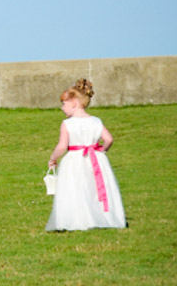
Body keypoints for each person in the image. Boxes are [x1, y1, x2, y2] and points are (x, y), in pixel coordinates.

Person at [45, 78, 127, 231]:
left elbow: (62, 146)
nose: (62, 108)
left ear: (74, 103)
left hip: (75, 159)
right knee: (95, 189)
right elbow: (109, 139)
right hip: (96, 159)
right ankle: (104, 217)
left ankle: (76, 220)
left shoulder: (68, 124)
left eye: (64, 104)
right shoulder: (96, 121)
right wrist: (102, 151)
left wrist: (53, 158)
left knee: (76, 188)